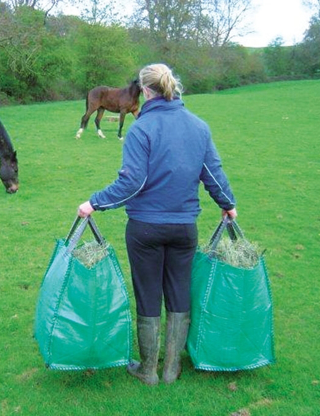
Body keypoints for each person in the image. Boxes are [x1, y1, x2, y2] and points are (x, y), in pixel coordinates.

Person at [77, 63, 237, 385]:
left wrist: (93, 202)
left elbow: (132, 184)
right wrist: (228, 205)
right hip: (183, 228)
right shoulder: (199, 126)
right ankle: (170, 369)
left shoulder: (140, 129)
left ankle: (148, 369)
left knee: (148, 293)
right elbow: (214, 175)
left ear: (146, 92)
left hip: (145, 229)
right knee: (179, 291)